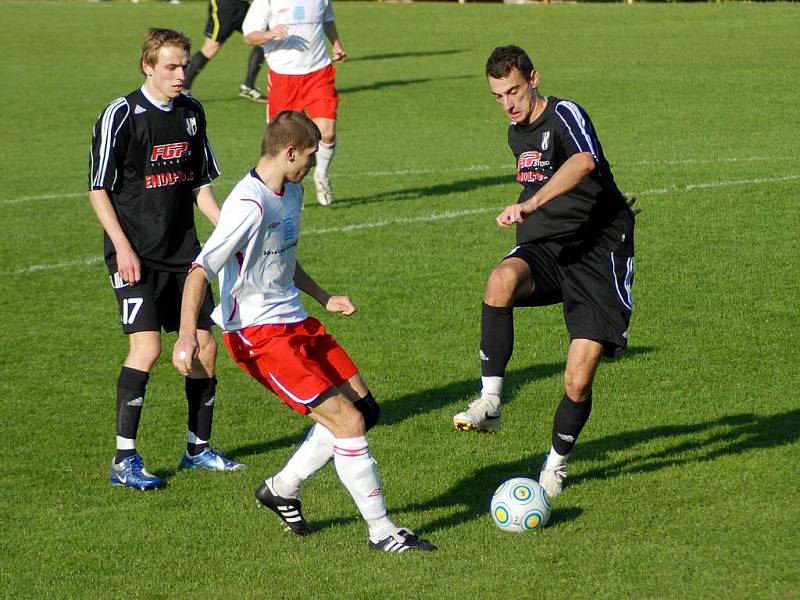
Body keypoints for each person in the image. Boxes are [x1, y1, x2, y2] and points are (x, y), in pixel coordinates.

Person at [172, 111, 436, 553]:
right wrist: (185, 335)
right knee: (347, 423)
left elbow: (283, 256)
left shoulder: (289, 191)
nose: (313, 165)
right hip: (258, 334)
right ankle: (382, 531)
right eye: (310, 157)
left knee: (363, 409)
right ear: (289, 151)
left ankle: (282, 488)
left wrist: (322, 296)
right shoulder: (247, 204)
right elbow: (199, 271)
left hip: (296, 320)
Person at [452, 46, 637, 499]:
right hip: (548, 248)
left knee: (577, 379)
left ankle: (556, 465)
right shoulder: (516, 134)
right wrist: (528, 219)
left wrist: (531, 203)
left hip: (599, 252)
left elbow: (583, 162)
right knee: (500, 281)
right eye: (498, 96)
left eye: (513, 90)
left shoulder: (565, 114)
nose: (508, 103)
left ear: (533, 78)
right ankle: (491, 400)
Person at [89, 27, 244, 491]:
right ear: (148, 66)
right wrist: (122, 248)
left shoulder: (192, 113)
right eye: (172, 67)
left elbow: (200, 186)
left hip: (184, 254)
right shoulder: (121, 115)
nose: (181, 75)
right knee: (149, 348)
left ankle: (198, 448)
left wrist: (229, 231)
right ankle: (124, 459)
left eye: (184, 65)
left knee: (205, 345)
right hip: (134, 252)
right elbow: (99, 190)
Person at [242, 0, 346, 207]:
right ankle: (287, 194)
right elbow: (250, 37)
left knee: (327, 133)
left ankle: (322, 175)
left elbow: (327, 19)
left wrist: (336, 43)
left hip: (319, 72)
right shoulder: (267, 2)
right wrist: (269, 35)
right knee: (285, 142)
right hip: (284, 77)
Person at [183, 0, 268, 103]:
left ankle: (248, 86)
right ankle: (184, 89)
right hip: (225, 6)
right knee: (211, 47)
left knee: (263, 37)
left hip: (241, 5)